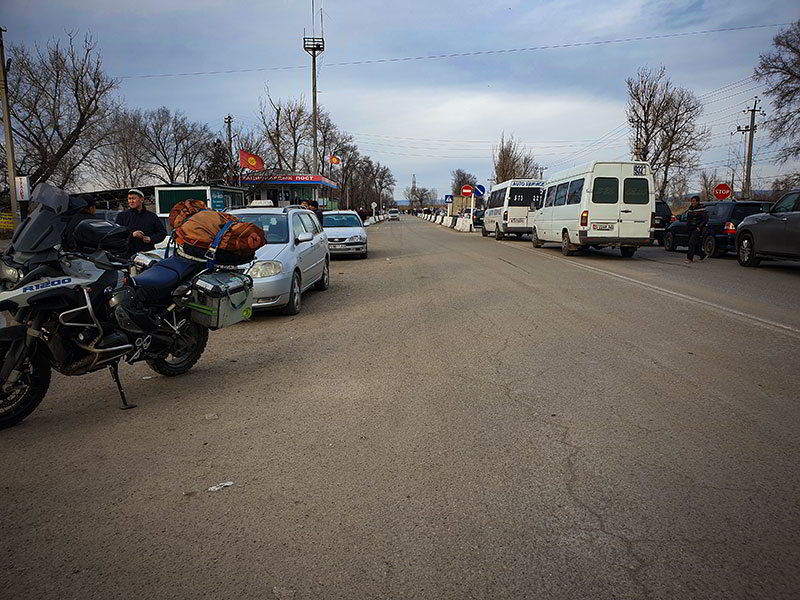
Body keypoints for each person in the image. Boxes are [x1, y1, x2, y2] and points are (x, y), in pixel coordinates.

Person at [115, 189, 167, 257]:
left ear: (142, 200)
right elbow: (116, 235)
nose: (131, 201)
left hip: (148, 255)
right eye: (129, 199)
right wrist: (132, 234)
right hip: (127, 256)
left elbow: (162, 233)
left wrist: (151, 239)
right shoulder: (122, 216)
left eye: (133, 198)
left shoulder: (152, 216)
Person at [685, 195, 708, 263]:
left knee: (691, 243)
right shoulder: (690, 208)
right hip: (690, 228)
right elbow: (688, 219)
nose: (692, 202)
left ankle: (689, 258)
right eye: (691, 201)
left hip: (697, 228)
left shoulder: (701, 209)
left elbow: (705, 219)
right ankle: (703, 255)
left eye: (694, 201)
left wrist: (699, 227)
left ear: (697, 202)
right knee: (695, 243)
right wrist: (687, 226)